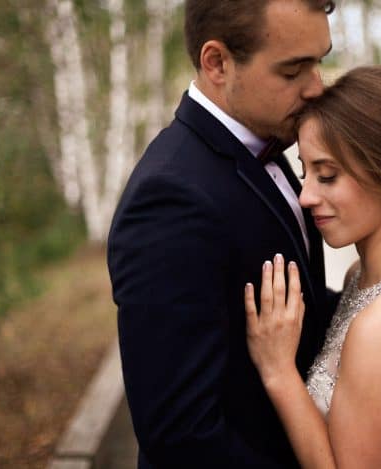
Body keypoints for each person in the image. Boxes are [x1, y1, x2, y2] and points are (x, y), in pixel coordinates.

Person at [107, 1, 339, 467]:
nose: (317, 88)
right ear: (217, 62)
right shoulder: (170, 199)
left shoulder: (264, 144)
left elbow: (298, 302)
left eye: (320, 61)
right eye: (293, 70)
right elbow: (181, 435)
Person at [243, 66, 381, 468]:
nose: (306, 196)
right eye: (305, 172)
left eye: (327, 176)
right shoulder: (363, 279)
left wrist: (278, 371)